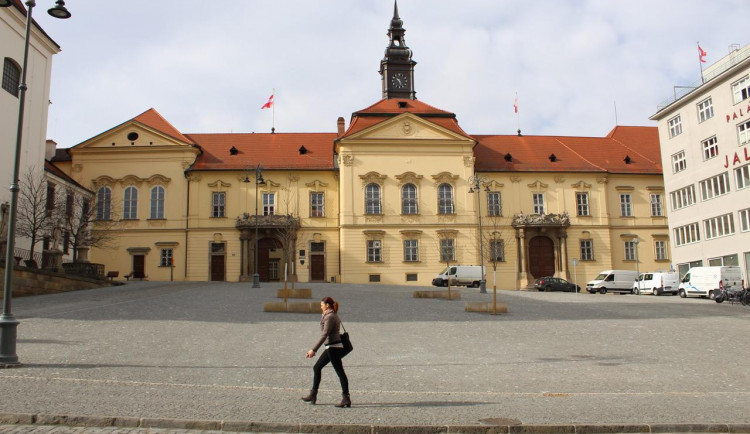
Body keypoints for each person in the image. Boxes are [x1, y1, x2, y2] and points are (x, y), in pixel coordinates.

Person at [301, 296, 350, 407]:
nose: (321, 306)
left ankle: (346, 398)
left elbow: (325, 334)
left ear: (327, 305)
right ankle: (313, 394)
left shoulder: (330, 317)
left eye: (322, 304)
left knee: (340, 372)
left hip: (333, 348)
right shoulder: (328, 315)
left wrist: (313, 350)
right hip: (330, 347)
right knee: (317, 367)